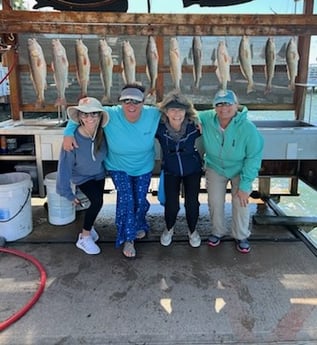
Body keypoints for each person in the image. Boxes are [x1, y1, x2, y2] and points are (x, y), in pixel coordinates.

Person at [63, 84, 161, 259]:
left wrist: (198, 121)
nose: (131, 106)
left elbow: (180, 111)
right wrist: (68, 133)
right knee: (127, 200)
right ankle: (128, 238)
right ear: (120, 102)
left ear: (144, 102)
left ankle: (138, 224)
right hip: (118, 167)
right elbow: (83, 113)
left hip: (143, 166)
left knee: (140, 199)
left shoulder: (153, 113)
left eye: (136, 102)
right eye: (126, 101)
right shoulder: (110, 114)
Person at [198, 89, 263, 253]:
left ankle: (241, 235)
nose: (223, 108)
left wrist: (246, 184)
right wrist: (195, 120)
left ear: (236, 105)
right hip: (215, 166)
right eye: (219, 104)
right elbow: (191, 113)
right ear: (214, 107)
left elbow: (253, 157)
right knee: (214, 201)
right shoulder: (207, 118)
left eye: (228, 103)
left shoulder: (248, 128)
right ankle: (217, 231)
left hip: (239, 169)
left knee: (240, 201)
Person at [56, 97, 109, 255]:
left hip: (99, 174)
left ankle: (89, 227)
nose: (89, 118)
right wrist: (67, 193)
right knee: (97, 201)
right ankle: (84, 237)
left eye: (94, 114)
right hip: (82, 177)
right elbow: (64, 167)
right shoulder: (72, 140)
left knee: (97, 203)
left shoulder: (103, 133)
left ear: (100, 116)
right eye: (84, 115)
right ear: (79, 117)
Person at [156, 90, 203, 247]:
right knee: (171, 204)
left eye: (180, 109)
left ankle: (192, 230)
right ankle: (169, 228)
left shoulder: (194, 125)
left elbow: (215, 117)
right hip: (171, 170)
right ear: (166, 111)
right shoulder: (159, 128)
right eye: (173, 109)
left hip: (192, 169)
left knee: (192, 203)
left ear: (186, 111)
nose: (177, 114)